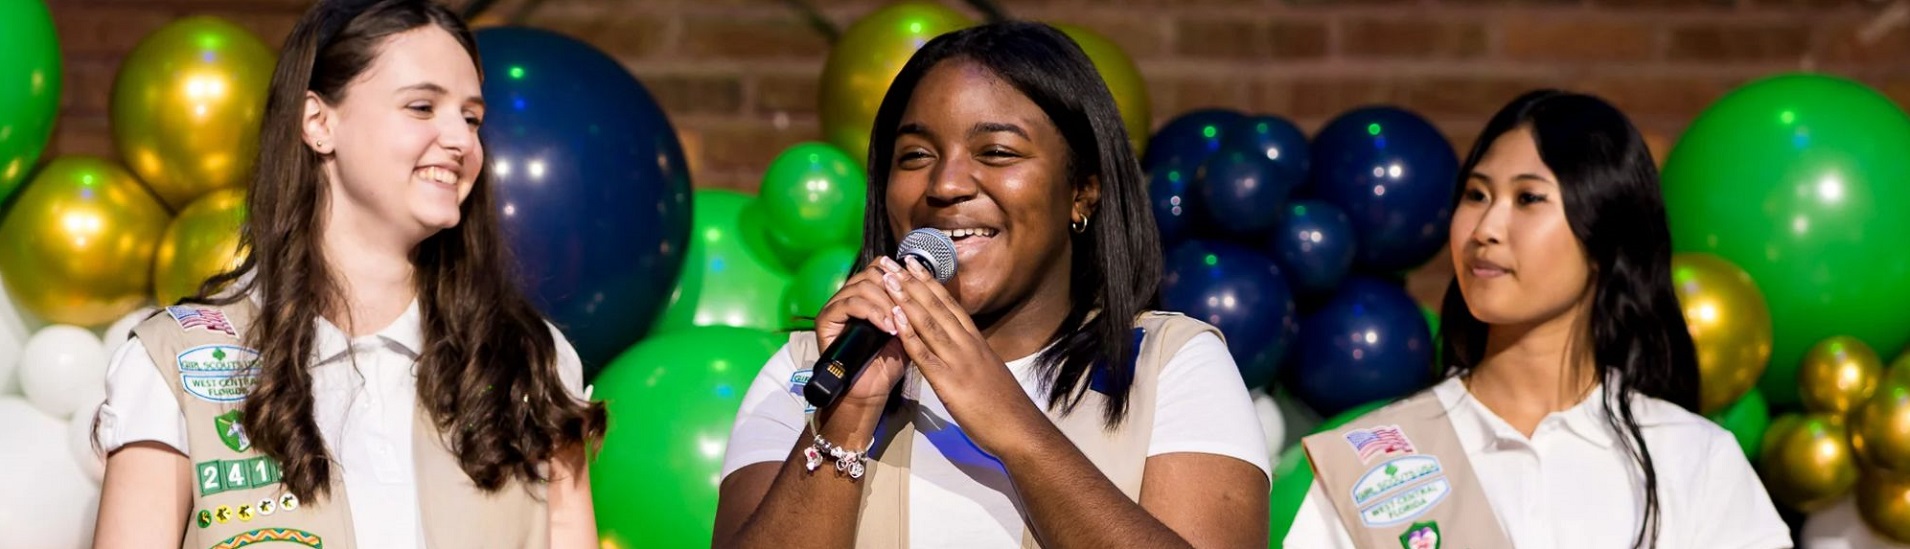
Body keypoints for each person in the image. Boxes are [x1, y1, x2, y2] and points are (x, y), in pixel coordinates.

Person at [712, 21, 1271, 549]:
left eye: (997, 152)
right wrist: (846, 418)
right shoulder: (808, 372)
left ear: (1082, 192)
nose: (946, 184)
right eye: (915, 156)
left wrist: (1013, 424)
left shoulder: (1170, 365)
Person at [90, 1, 603, 547]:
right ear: (318, 122)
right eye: (423, 107)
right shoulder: (174, 359)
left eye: (472, 118)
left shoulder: (528, 358)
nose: (460, 140)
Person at [1283, 90, 1791, 548]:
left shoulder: (1690, 457)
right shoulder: (1376, 458)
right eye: (1477, 195)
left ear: (1603, 236)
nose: (1487, 228)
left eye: (1528, 199)